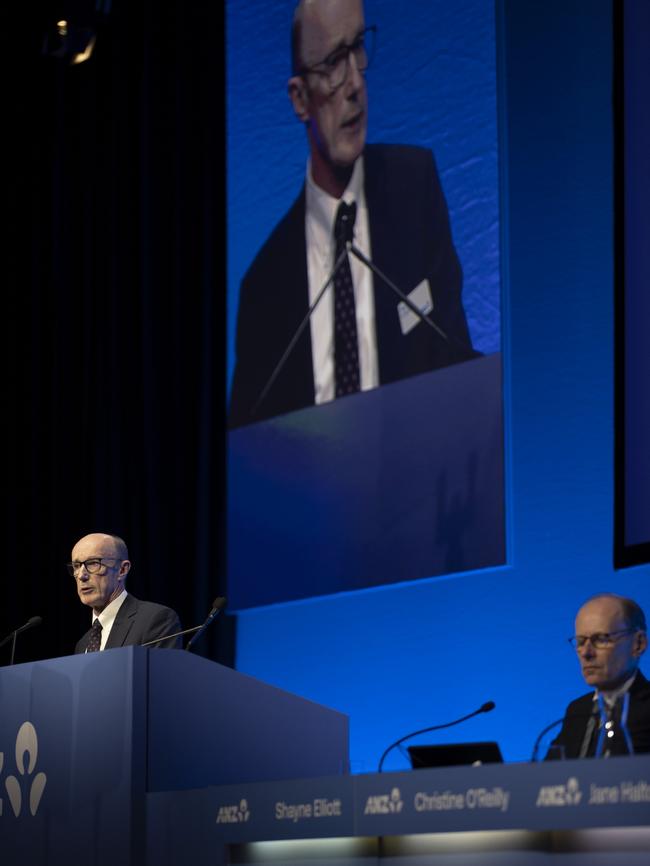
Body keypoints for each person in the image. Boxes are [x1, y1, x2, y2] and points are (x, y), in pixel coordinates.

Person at [228, 0, 476, 429]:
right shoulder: (263, 286)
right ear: (300, 99)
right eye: (332, 63)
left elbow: (455, 360)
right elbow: (248, 447)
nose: (355, 83)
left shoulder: (414, 188)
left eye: (357, 49)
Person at [549, 593, 650, 758]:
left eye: (601, 639)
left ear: (638, 644)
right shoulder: (577, 710)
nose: (586, 653)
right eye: (581, 642)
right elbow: (549, 778)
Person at [70, 532, 183, 652]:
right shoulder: (82, 645)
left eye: (93, 563)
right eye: (76, 566)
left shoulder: (155, 620)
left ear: (122, 570)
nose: (81, 575)